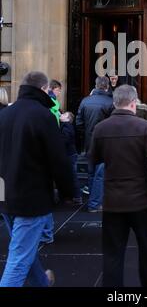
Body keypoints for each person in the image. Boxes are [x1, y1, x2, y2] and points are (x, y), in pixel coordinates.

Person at [0, 71, 74, 287]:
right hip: (30, 198)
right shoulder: (43, 116)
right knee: (19, 258)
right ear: (44, 89)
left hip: (5, 194)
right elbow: (58, 160)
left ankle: (42, 282)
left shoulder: (5, 114)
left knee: (23, 247)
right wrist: (69, 192)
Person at [89, 84, 147, 287]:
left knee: (113, 254)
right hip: (140, 200)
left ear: (115, 102)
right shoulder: (143, 127)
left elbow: (93, 158)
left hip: (113, 201)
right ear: (134, 103)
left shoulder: (100, 128)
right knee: (146, 249)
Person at [76, 76, 113, 211]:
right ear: (107, 86)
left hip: (89, 142)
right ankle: (94, 203)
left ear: (96, 86)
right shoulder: (110, 102)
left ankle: (93, 200)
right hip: (105, 143)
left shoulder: (85, 101)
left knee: (91, 173)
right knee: (100, 174)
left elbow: (79, 123)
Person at [60, 112, 82, 205]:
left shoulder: (67, 126)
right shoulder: (65, 126)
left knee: (72, 175)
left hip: (69, 154)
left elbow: (65, 140)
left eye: (64, 114)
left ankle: (77, 196)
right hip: (70, 153)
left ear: (68, 118)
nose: (61, 115)